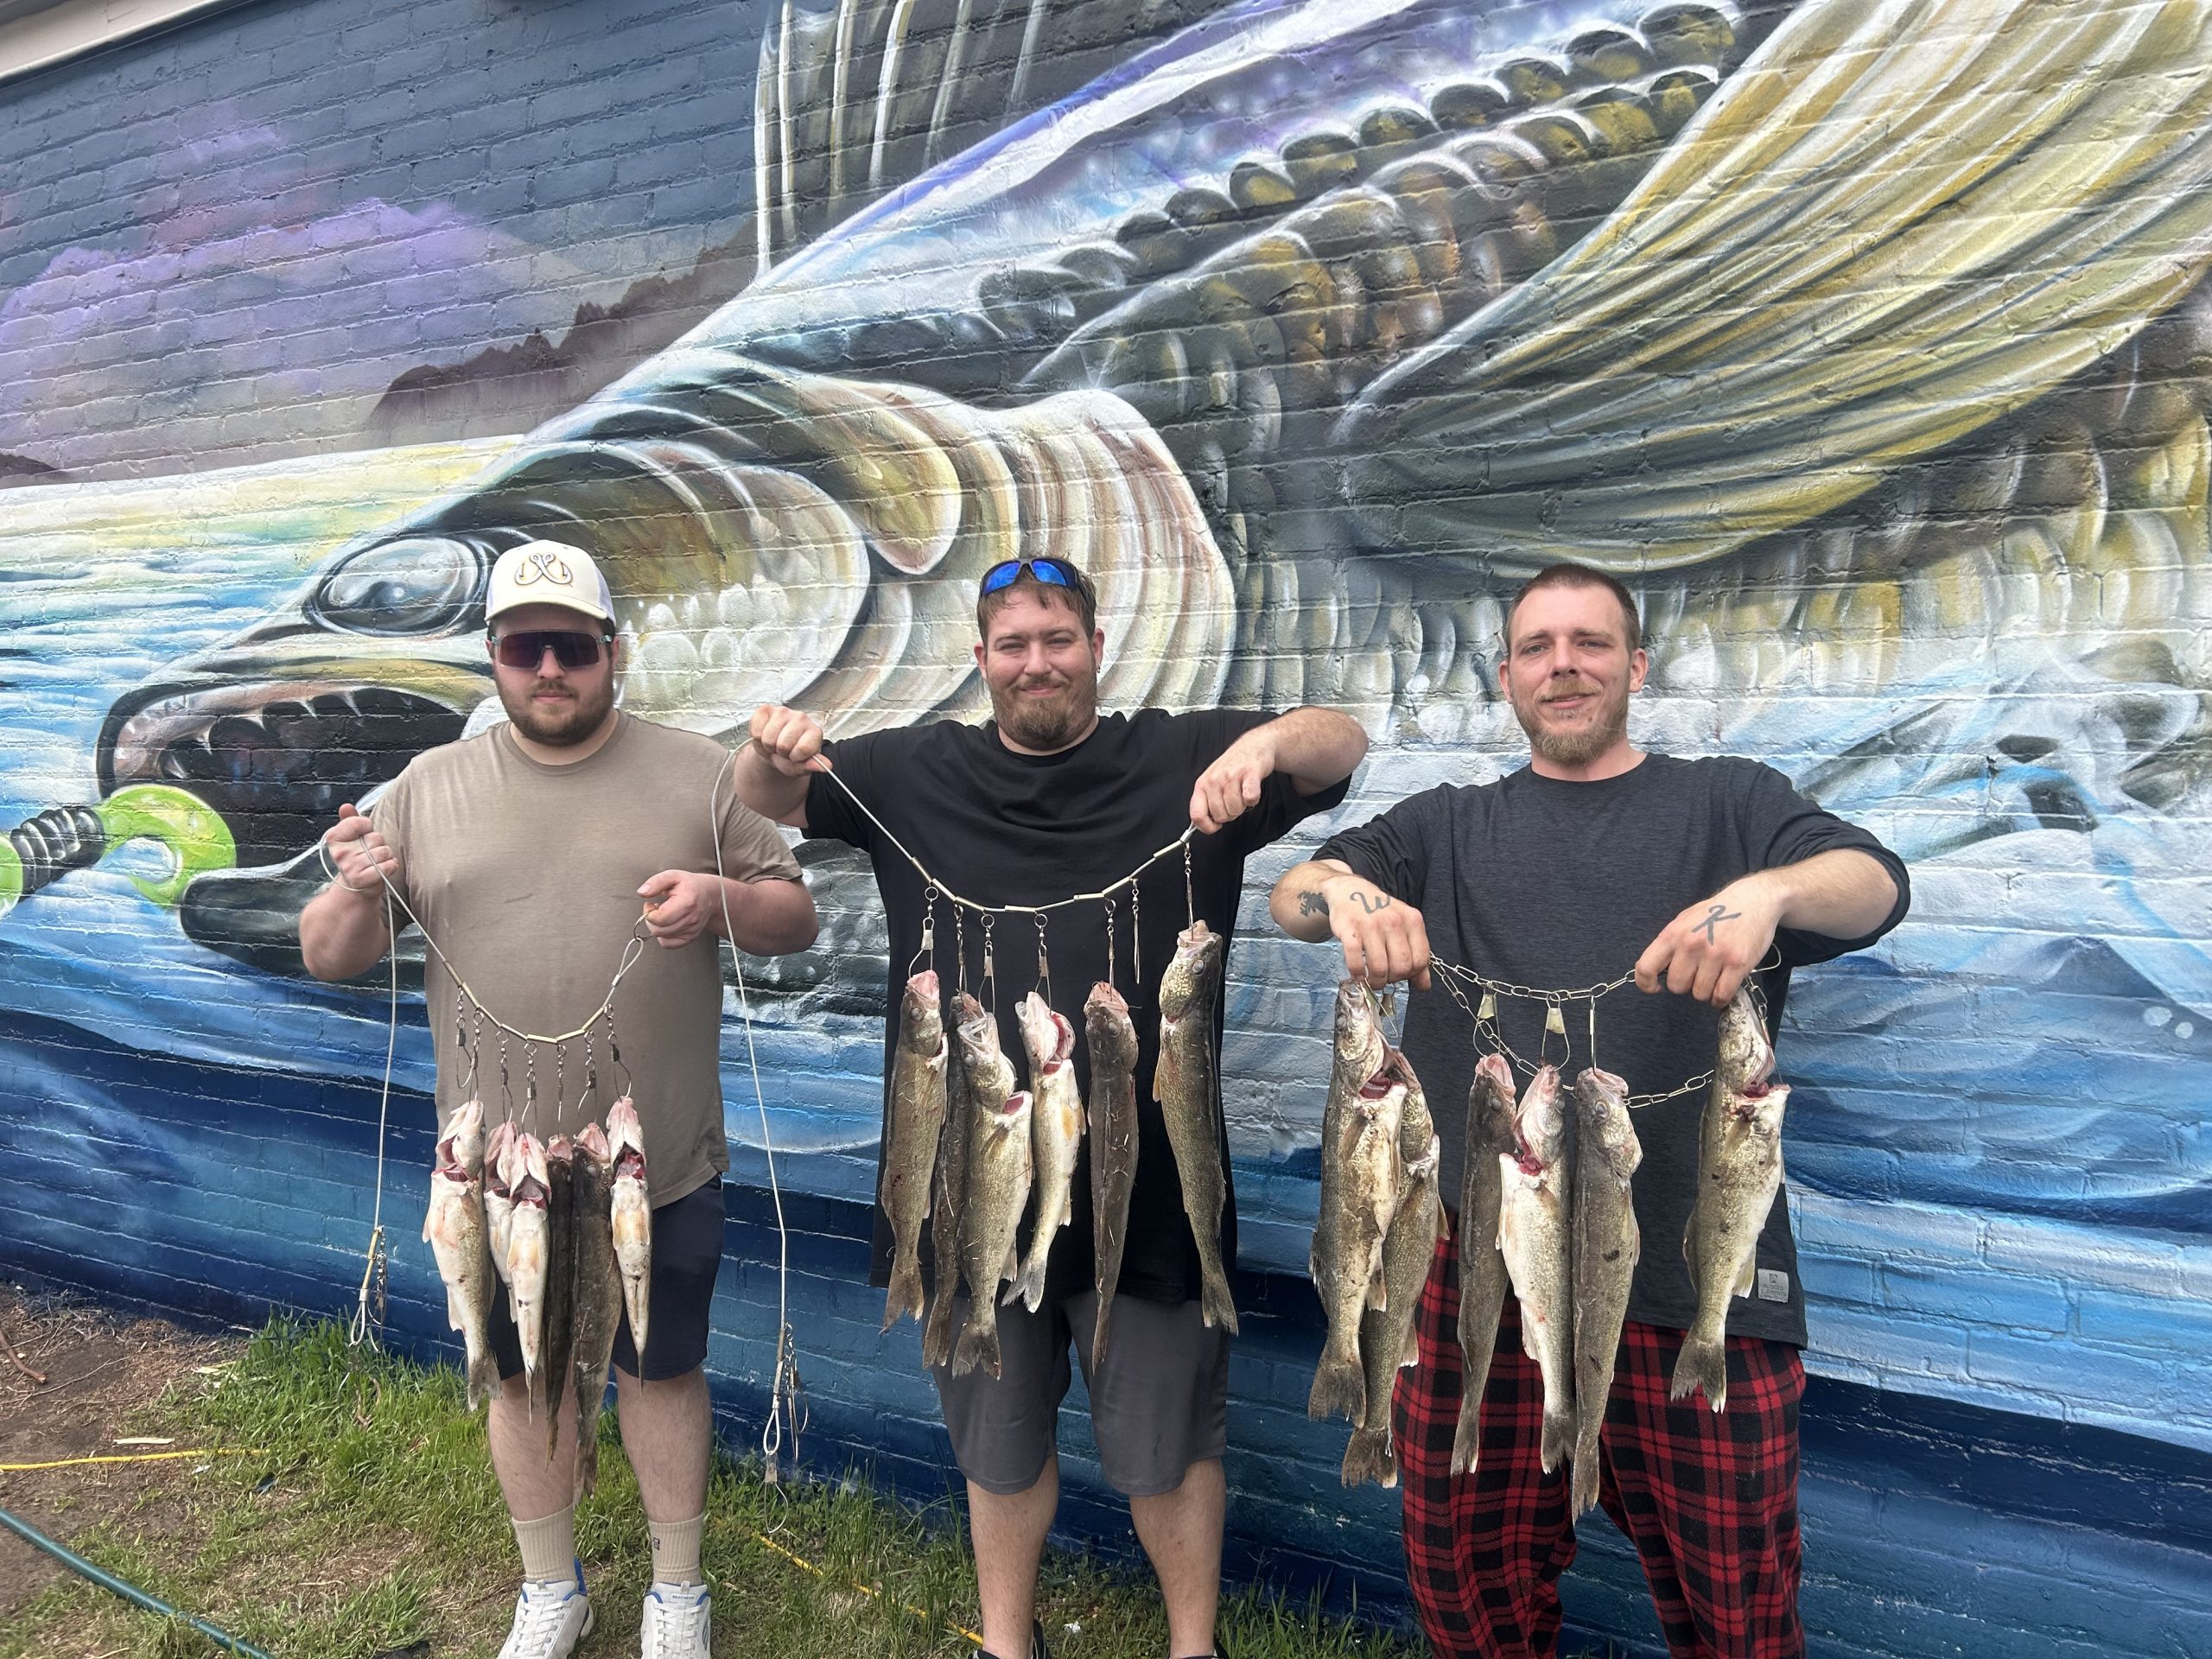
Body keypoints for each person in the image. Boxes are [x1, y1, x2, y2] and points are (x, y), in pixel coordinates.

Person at [1268, 563, 1909, 1659]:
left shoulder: (1732, 805)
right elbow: (1296, 895)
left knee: (1739, 1614)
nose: (1562, 666)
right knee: (1467, 1597)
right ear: (1508, 678)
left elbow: (1876, 886)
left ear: (1635, 666)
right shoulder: (1443, 824)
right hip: (1480, 1278)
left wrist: (1769, 892)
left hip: (1692, 1280)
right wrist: (1347, 895)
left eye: (1590, 643)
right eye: (1537, 647)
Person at [735, 555, 1368, 1659]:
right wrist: (767, 748)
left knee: (1169, 1448)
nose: (1038, 663)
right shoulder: (910, 769)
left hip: (1152, 1186)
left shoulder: (1179, 754)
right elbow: (769, 797)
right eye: (1014, 644)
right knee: (997, 1443)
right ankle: (1005, 1641)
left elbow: (1343, 742)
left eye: (1058, 639)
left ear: (1095, 647)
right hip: (969, 1175)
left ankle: (1192, 1648)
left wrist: (1264, 746)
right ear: (981, 659)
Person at [300, 538, 818, 1659]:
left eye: (572, 648)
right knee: (522, 1377)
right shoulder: (426, 787)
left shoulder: (701, 773)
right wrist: (355, 889)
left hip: (653, 1163)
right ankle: (551, 1588)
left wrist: (720, 899)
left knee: (660, 1373)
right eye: (525, 646)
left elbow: (793, 915)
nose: (548, 668)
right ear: (493, 654)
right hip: (497, 1178)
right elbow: (330, 954)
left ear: (611, 652)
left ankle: (676, 1592)